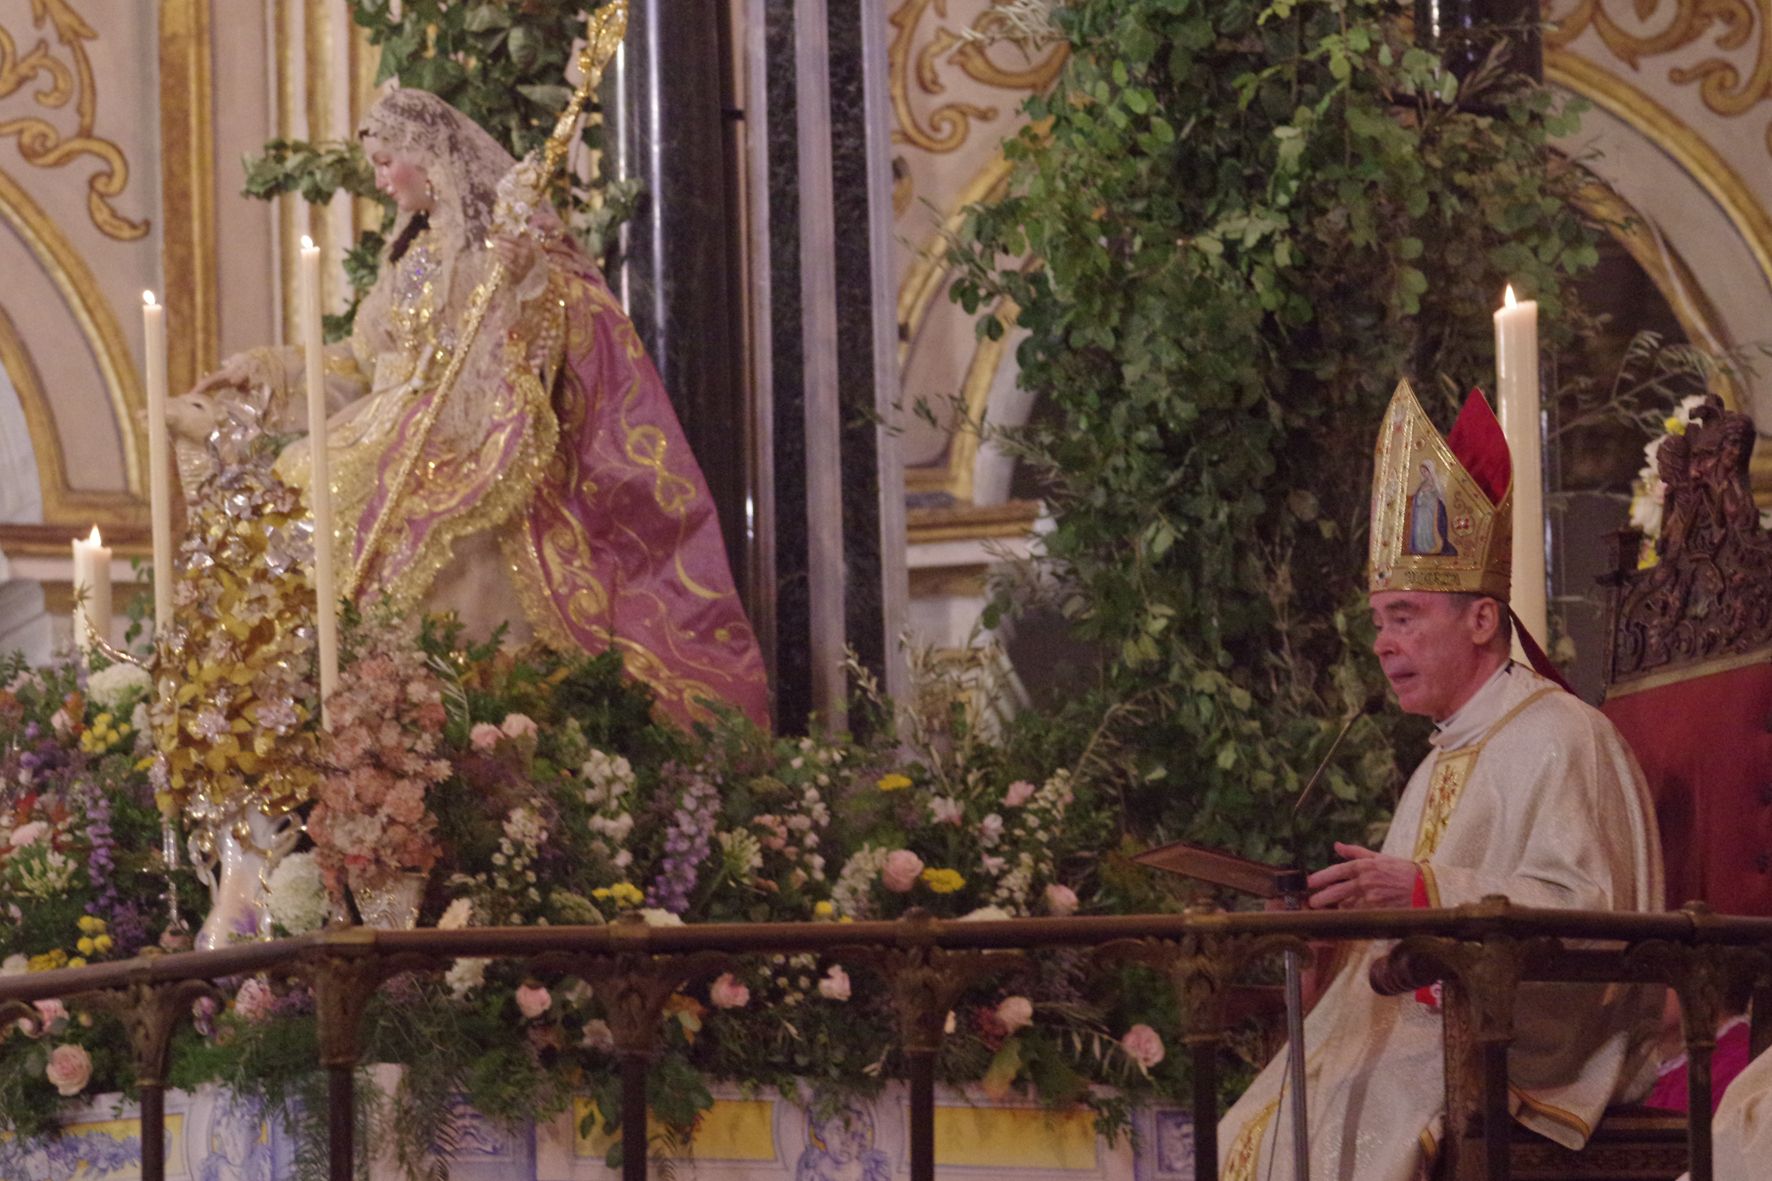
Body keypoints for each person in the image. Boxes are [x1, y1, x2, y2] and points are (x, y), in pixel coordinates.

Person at [172, 89, 769, 732]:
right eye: (374, 164)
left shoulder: (503, 244)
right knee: (299, 470)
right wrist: (266, 368)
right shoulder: (410, 254)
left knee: (336, 482)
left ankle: (382, 686)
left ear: (429, 157)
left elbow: (568, 326)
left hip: (466, 428)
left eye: (386, 161)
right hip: (390, 415)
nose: (379, 179)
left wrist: (531, 281)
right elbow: (357, 359)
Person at [1217, 380, 1665, 1181]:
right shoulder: (1442, 756)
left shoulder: (1563, 735)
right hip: (1413, 1023)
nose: (1385, 644)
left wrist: (1424, 888)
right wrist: (1336, 924)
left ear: (1483, 620)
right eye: (1378, 621)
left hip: (1525, 1044)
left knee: (1346, 1127)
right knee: (1251, 1128)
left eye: (1406, 615)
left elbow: (1596, 909)